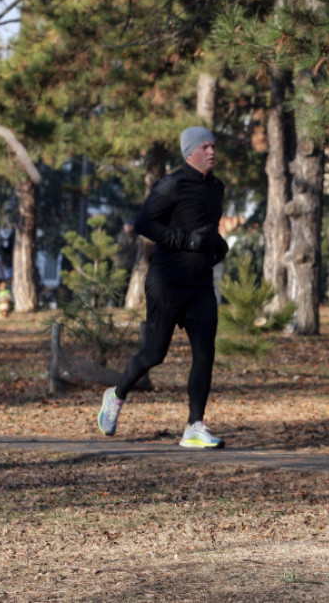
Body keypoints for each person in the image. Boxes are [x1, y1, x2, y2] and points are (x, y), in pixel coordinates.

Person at [97, 126, 229, 448]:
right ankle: (116, 395)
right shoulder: (171, 184)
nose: (212, 151)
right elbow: (144, 223)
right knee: (155, 353)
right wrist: (185, 241)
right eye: (206, 147)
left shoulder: (216, 188)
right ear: (190, 152)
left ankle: (194, 426)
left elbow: (203, 226)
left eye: (214, 146)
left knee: (205, 354)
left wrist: (218, 245)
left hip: (199, 285)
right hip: (166, 282)